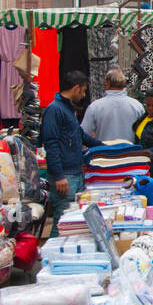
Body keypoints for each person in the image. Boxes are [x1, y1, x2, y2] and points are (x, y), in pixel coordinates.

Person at [42, 71, 104, 236]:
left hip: (74, 173)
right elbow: (51, 144)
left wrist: (105, 147)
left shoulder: (68, 109)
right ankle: (51, 256)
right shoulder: (55, 110)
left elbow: (80, 135)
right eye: (83, 91)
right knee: (63, 222)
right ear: (76, 88)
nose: (84, 95)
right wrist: (59, 175)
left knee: (72, 221)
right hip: (65, 176)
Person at [81, 68, 145, 142]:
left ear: (107, 83)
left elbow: (84, 133)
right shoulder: (137, 106)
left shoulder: (95, 107)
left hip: (104, 151)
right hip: (130, 151)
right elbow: (143, 133)